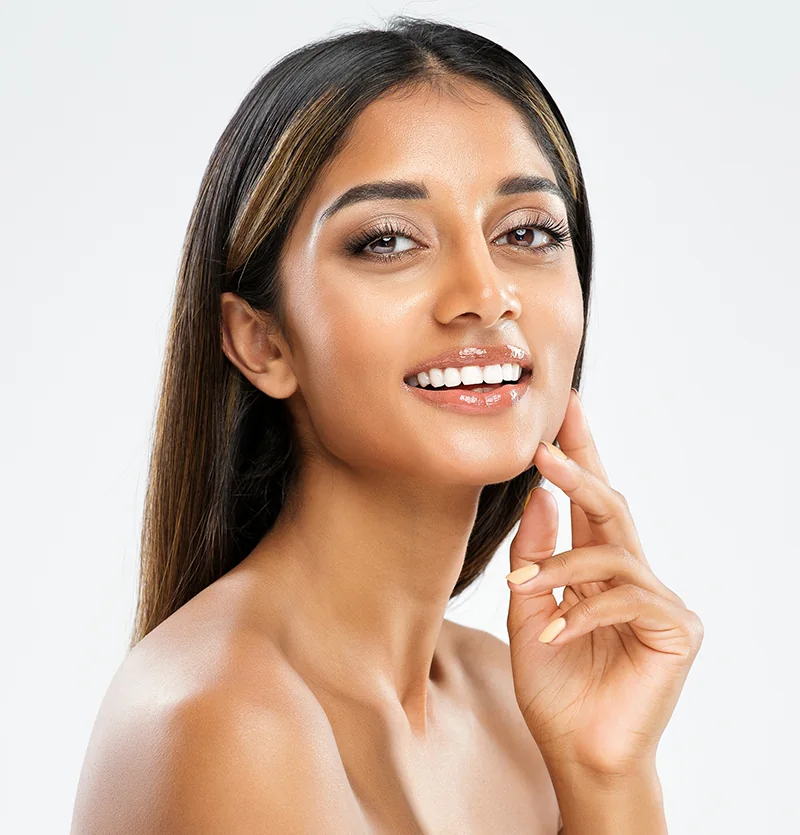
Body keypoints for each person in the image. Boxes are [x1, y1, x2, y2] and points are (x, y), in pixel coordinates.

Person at [71, 15, 703, 834]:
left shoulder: (519, 704)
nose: (485, 293)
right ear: (260, 340)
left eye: (527, 232)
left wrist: (606, 774)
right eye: (387, 241)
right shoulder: (227, 720)